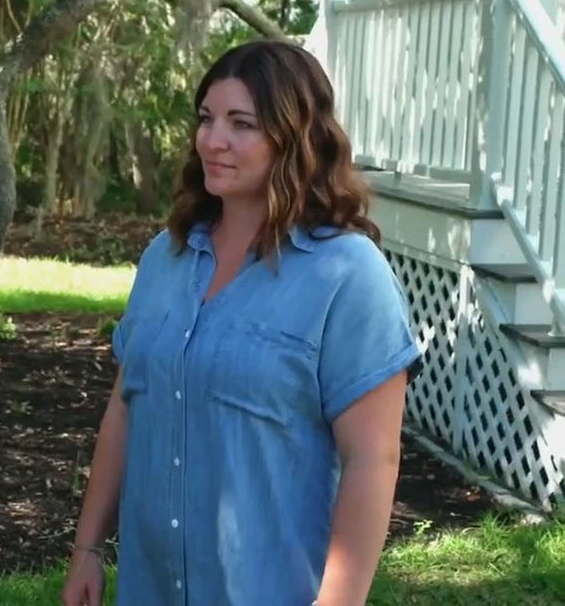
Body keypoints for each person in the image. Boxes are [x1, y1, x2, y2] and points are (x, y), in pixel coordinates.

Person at [60, 39, 422, 606]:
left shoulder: (347, 274)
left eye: (241, 123)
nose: (213, 140)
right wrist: (87, 549)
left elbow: (372, 460)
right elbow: (124, 410)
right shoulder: (166, 257)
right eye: (206, 118)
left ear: (295, 137)